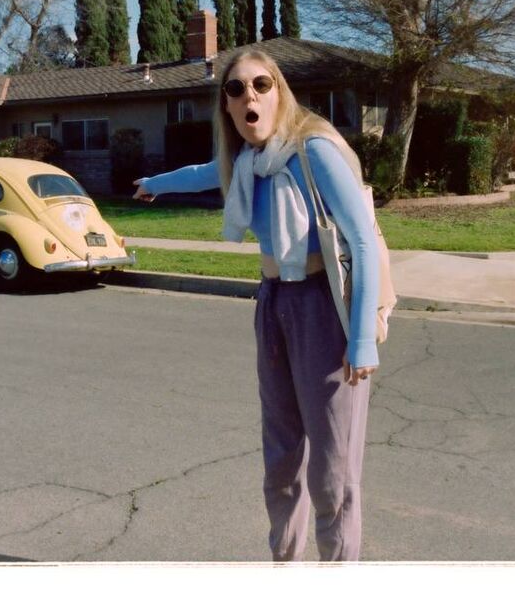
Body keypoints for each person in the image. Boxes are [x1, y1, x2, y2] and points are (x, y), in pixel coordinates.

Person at [133, 50, 380, 561]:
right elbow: (205, 172)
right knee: (281, 460)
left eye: (261, 84)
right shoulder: (247, 161)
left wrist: (361, 341)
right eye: (236, 88)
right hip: (273, 304)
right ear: (227, 106)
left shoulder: (314, 151)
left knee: (332, 473)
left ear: (279, 92)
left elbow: (361, 241)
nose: (250, 95)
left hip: (323, 307)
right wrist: (155, 184)